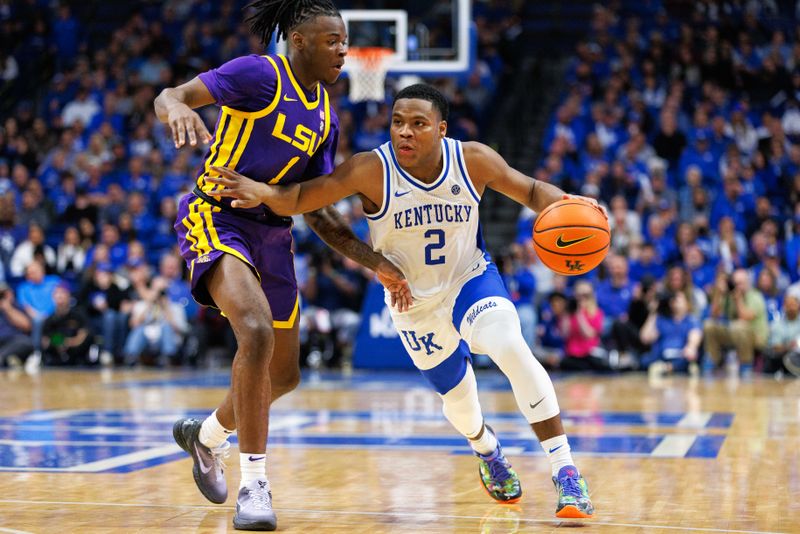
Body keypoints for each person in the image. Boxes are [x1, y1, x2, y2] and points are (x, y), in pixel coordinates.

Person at [207, 84, 596, 518]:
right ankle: (487, 450)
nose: (404, 132)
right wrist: (263, 193)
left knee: (510, 346)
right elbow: (303, 198)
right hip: (412, 303)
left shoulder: (472, 159)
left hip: (468, 279)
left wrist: (568, 203)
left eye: (418, 124)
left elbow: (531, 189)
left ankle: (566, 472)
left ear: (441, 129)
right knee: (461, 404)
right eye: (397, 122)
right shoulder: (370, 168)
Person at [153, 1, 410, 530]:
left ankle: (203, 438)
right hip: (217, 217)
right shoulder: (258, 74)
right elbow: (172, 95)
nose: (344, 50)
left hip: (273, 237)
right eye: (333, 40)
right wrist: (177, 107)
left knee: (284, 376)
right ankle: (254, 487)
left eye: (345, 41)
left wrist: (376, 263)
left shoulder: (324, 117)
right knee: (255, 331)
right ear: (297, 40)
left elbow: (315, 211)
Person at [703, 269, 768, 375]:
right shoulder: (729, 296)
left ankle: (745, 366)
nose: (738, 286)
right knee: (709, 325)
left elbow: (745, 317)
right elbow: (713, 315)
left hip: (756, 336)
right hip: (734, 334)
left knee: (739, 326)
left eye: (740, 283)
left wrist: (738, 299)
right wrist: (718, 293)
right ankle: (711, 362)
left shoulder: (755, 296)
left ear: (747, 283)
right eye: (735, 283)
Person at [639, 291, 702, 378]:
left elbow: (695, 336)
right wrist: (654, 312)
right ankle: (667, 368)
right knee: (644, 360)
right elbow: (645, 338)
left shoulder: (691, 320)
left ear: (687, 303)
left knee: (689, 360)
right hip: (663, 356)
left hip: (680, 355)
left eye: (678, 299)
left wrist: (691, 347)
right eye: (673, 299)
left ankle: (667, 368)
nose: (674, 301)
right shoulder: (662, 319)